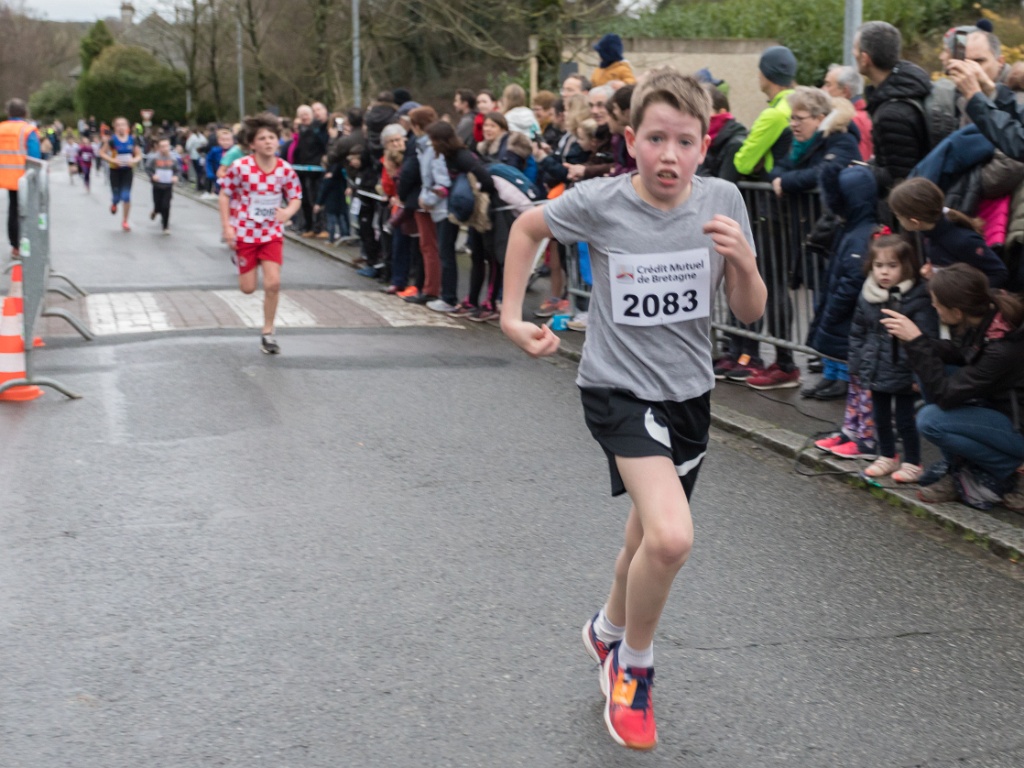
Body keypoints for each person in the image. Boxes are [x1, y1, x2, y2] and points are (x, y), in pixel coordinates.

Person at [500, 67, 766, 751]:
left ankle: (606, 630)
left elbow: (750, 311)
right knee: (672, 538)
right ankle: (633, 666)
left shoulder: (724, 200)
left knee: (644, 540)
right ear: (630, 140)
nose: (669, 156)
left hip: (689, 395)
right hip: (618, 390)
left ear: (704, 144)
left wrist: (743, 263)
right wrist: (509, 315)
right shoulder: (601, 201)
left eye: (685, 141)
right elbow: (527, 228)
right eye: (655, 139)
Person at [882, 263, 1024, 511]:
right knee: (928, 366)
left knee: (930, 421)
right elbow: (961, 352)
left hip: (1018, 425)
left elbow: (945, 395)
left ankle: (1010, 471)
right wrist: (918, 341)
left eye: (937, 304)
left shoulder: (1002, 348)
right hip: (1002, 409)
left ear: (957, 312)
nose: (933, 307)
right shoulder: (987, 314)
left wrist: (917, 342)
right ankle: (957, 469)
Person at [845, 234, 937, 480]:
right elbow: (857, 332)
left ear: (906, 266)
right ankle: (887, 455)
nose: (884, 272)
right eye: (879, 265)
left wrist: (918, 374)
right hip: (876, 366)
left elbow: (926, 338)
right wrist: (857, 365)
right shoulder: (868, 294)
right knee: (880, 417)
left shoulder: (917, 297)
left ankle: (913, 461)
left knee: (906, 419)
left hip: (904, 369)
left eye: (892, 265)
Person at [218, 112, 303, 355]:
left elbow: (296, 196)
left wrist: (287, 212)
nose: (268, 142)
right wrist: (227, 227)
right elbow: (224, 195)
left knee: (273, 283)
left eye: (272, 137)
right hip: (244, 232)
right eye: (262, 138)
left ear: (278, 140)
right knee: (247, 288)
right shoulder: (240, 168)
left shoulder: (284, 169)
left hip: (271, 233)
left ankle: (268, 332)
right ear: (252, 144)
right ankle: (243, 260)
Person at [853, 21, 931, 202]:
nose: (852, 53)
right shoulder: (910, 84)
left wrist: (861, 172)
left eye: (855, 49)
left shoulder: (891, 115)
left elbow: (899, 177)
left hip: (908, 209)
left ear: (865, 59)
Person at [887, 177, 1008, 287]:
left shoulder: (963, 240)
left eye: (898, 216)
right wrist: (934, 276)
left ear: (915, 222)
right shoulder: (926, 233)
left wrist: (965, 292)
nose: (898, 220)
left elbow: (998, 273)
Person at [0, 99, 41, 258]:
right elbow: (34, 157)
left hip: (6, 177)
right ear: (25, 112)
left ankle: (15, 246)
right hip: (25, 177)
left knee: (13, 210)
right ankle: (26, 243)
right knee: (26, 211)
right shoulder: (28, 130)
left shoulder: (1, 128)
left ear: (8, 113)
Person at [99, 116, 142, 232]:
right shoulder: (112, 140)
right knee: (117, 197)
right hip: (115, 171)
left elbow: (138, 155)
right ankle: (114, 203)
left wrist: (134, 160)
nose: (121, 127)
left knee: (126, 196)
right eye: (118, 125)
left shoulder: (132, 140)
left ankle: (125, 221)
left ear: (128, 127)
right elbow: (102, 153)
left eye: (123, 124)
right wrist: (112, 160)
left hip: (127, 171)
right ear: (115, 127)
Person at [823, 63, 873, 162]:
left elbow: (858, 161)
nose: (823, 89)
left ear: (845, 91)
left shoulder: (851, 120)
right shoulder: (863, 115)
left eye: (828, 85)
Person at [144, 136, 182, 235]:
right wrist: (153, 176)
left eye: (166, 146)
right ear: (158, 147)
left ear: (169, 146)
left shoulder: (173, 158)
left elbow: (178, 170)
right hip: (157, 185)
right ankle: (155, 211)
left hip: (168, 185)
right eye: (162, 146)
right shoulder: (154, 157)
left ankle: (165, 226)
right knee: (158, 205)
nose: (164, 149)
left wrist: (176, 177)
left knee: (166, 205)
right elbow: (147, 168)